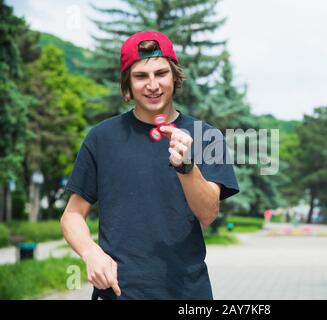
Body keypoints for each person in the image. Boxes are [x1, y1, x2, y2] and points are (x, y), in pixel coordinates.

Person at [60, 31, 240, 300]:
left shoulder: (207, 136)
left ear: (175, 76)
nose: (153, 85)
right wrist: (90, 251)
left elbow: (208, 213)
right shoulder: (101, 138)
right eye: (141, 76)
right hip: (119, 293)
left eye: (161, 73)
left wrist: (187, 167)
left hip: (187, 294)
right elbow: (72, 215)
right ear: (127, 84)